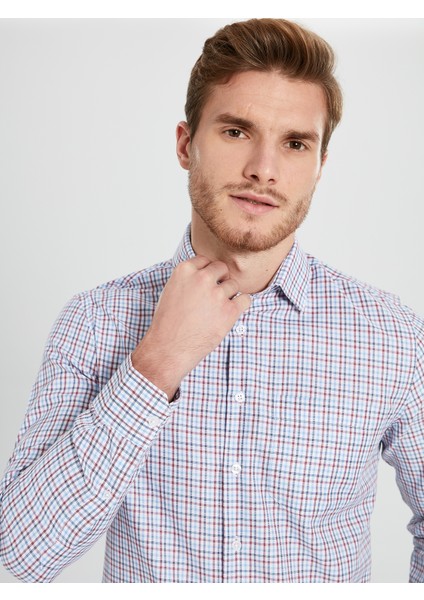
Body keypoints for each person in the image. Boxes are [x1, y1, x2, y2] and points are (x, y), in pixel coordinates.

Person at [0, 18, 423, 584]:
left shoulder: (391, 335)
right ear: (185, 145)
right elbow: (20, 554)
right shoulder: (96, 321)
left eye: (295, 143)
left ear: (320, 165)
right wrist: (157, 364)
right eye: (236, 132)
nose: (264, 170)